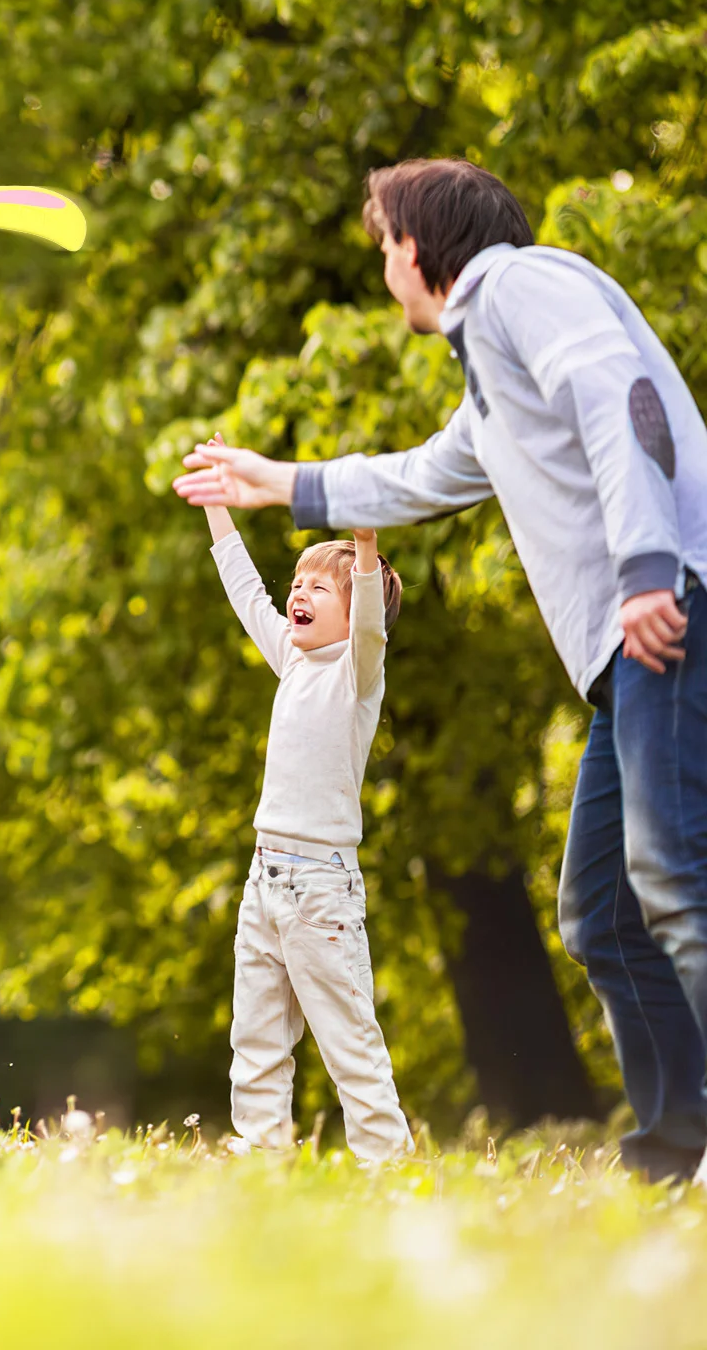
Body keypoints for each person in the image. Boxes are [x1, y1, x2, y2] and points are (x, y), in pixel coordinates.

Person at [175, 158, 707, 1183]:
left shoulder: (520, 285)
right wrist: (278, 483)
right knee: (602, 911)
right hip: (620, 656)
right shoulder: (493, 373)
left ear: (414, 248)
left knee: (677, 882)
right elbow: (422, 475)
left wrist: (647, 565)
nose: (383, 268)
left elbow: (623, 396)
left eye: (383, 247)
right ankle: (677, 1156)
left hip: (669, 605)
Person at [188, 455, 410, 1161]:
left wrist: (366, 547)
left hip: (320, 889)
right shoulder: (291, 657)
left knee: (349, 1039)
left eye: (319, 586)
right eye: (298, 583)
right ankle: (263, 1155)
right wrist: (218, 507)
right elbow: (245, 590)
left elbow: (369, 626)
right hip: (265, 880)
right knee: (254, 1033)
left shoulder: (356, 675)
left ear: (351, 611)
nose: (299, 593)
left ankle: (388, 1167)